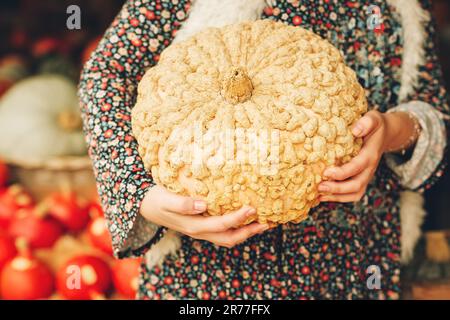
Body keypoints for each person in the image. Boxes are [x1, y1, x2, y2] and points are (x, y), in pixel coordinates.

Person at [79, 0, 449, 299]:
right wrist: (138, 192)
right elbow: (107, 74)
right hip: (212, 276)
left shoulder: (401, 7)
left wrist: (392, 130)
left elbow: (430, 104)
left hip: (354, 260)